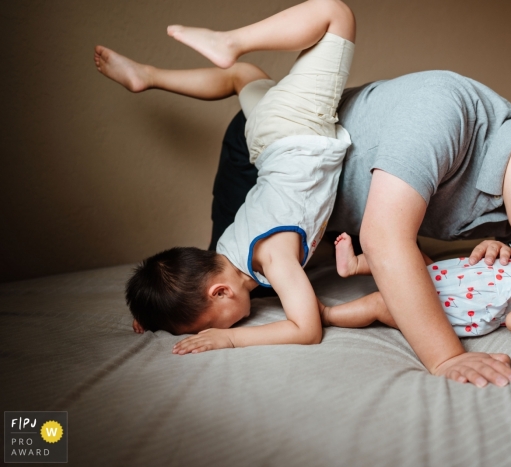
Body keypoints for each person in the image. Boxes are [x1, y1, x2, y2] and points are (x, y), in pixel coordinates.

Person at [96, 0, 511, 387]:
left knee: (251, 84)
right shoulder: (444, 111)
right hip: (277, 158)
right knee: (233, 285)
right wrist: (446, 359)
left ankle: (197, 74)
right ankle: (152, 305)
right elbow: (386, 237)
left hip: (329, 209)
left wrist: (487, 252)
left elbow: (446, 261)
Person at [99, 0, 357, 349]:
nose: (206, 332)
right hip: (265, 142)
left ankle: (230, 41)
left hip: (295, 132)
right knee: (242, 76)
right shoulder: (225, 248)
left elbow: (306, 330)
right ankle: (148, 76)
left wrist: (230, 338)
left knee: (333, 12)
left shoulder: (273, 256)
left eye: (204, 326)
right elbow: (180, 285)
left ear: (220, 292)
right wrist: (156, 312)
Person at [320, 234, 511, 337]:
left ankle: (329, 316)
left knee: (380, 303)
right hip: (443, 276)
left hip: (441, 308)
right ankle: (356, 265)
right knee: (411, 257)